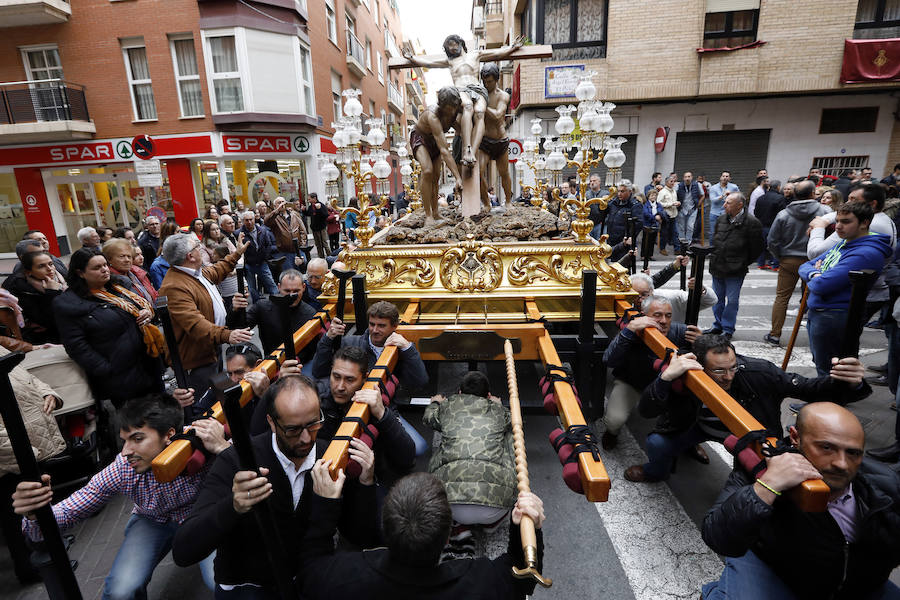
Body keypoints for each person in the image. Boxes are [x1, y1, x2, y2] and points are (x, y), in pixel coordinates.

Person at [171, 374, 379, 596]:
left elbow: (362, 536)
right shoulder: (234, 461)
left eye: (314, 424)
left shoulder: (330, 456)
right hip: (247, 585)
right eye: (293, 430)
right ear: (271, 422)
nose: (307, 438)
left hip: (306, 579)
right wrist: (233, 506)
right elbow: (184, 551)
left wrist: (366, 483)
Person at [11, 393, 227, 599]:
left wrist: (223, 448)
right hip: (153, 521)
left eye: (137, 438)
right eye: (124, 440)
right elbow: (69, 511)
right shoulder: (124, 467)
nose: (126, 451)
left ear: (169, 434)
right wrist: (35, 513)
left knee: (222, 581)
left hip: (201, 514)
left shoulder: (200, 442)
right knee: (120, 592)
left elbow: (250, 464)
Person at [701, 402, 900, 600]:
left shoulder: (884, 485)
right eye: (827, 447)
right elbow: (718, 537)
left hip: (853, 583)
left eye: (853, 453)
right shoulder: (762, 471)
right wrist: (767, 487)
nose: (841, 463)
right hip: (776, 571)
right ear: (796, 437)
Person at [626, 334, 869, 483]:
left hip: (743, 435)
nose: (728, 377)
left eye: (733, 367)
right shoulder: (685, 373)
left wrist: (849, 381)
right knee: (658, 443)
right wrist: (665, 379)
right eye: (719, 371)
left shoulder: (759, 372)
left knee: (750, 479)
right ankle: (657, 472)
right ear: (697, 365)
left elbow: (810, 388)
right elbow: (646, 410)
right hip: (697, 425)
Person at [297, 470, 545, 600]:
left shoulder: (343, 578)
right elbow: (523, 578)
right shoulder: (483, 584)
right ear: (448, 536)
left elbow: (309, 571)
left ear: (385, 527)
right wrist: (527, 526)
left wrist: (326, 506)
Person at [54, 249, 164, 407]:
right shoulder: (68, 304)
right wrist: (107, 369)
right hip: (121, 377)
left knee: (162, 413)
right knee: (138, 422)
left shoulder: (119, 287)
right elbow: (76, 345)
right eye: (97, 267)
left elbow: (138, 309)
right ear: (80, 273)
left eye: (105, 265)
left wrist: (146, 313)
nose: (105, 269)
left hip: (148, 364)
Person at [157, 233, 253, 412]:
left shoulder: (195, 273)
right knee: (203, 406)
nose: (201, 249)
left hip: (210, 349)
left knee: (217, 397)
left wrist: (237, 254)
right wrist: (227, 334)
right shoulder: (174, 286)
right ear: (190, 256)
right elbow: (194, 324)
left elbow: (218, 270)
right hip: (196, 361)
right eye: (197, 247)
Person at [402, 34, 523, 168]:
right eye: (449, 46)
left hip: (477, 89)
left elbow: (496, 53)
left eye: (454, 44)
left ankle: (473, 150)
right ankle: (467, 149)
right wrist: (412, 58)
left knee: (479, 113)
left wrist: (512, 47)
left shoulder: (476, 55)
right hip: (461, 90)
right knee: (468, 106)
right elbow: (429, 63)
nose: (453, 48)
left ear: (460, 43)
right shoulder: (450, 61)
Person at [800, 201, 893, 376]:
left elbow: (822, 285)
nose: (839, 227)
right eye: (838, 221)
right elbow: (806, 265)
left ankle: (829, 401)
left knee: (829, 365)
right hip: (822, 310)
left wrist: (815, 275)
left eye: (846, 221)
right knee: (823, 361)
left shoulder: (866, 252)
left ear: (864, 223)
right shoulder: (846, 242)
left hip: (835, 313)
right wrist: (814, 273)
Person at [600, 295, 701, 451]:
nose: (664, 321)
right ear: (644, 315)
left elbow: (716, 353)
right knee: (614, 421)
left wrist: (702, 343)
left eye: (668, 315)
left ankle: (689, 443)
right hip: (632, 382)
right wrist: (629, 330)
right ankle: (611, 434)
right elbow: (609, 360)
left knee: (690, 415)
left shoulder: (680, 331)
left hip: (666, 387)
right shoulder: (633, 330)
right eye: (657, 315)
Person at [0, 347, 65, 584]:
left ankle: (51, 551)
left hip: (29, 446)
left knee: (38, 504)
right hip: (12, 457)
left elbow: (28, 377)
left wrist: (50, 395)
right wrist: (25, 452)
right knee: (16, 513)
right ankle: (30, 568)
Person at [424, 371, 517, 539]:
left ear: (460, 392)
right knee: (508, 436)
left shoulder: (449, 405)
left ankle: (457, 525)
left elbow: (429, 418)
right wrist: (499, 405)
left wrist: (435, 403)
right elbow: (514, 422)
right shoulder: (497, 410)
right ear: (488, 395)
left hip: (449, 504)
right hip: (496, 506)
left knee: (444, 445)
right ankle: (491, 524)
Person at [311, 346, 415, 482]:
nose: (340, 386)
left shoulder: (376, 398)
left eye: (349, 380)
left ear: (364, 378)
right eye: (336, 377)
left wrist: (382, 414)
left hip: (368, 477)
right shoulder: (317, 396)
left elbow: (407, 456)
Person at [765, 180, 829, 345]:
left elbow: (772, 240)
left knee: (782, 297)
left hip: (789, 259)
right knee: (814, 296)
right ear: (813, 193)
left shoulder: (784, 214)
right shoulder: (824, 212)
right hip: (815, 260)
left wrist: (779, 256)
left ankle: (775, 334)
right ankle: (817, 336)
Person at [310, 300, 428, 390]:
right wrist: (328, 338)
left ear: (394, 326)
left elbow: (420, 382)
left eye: (381, 326)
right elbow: (318, 371)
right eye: (372, 324)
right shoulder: (349, 344)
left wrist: (408, 349)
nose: (375, 330)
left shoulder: (402, 349)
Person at [707, 193, 764, 340]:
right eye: (725, 202)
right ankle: (717, 325)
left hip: (736, 269)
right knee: (717, 299)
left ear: (740, 205)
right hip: (717, 265)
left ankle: (727, 328)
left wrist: (742, 262)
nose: (724, 205)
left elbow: (757, 248)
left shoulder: (752, 223)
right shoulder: (721, 219)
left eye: (728, 203)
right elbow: (715, 239)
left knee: (732, 301)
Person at [408, 87, 465, 225]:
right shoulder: (433, 115)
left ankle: (436, 213)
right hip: (420, 138)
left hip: (435, 141)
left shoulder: (457, 107)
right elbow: (445, 151)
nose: (452, 111)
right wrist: (457, 177)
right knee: (427, 171)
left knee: (436, 177)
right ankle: (428, 216)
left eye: (454, 107)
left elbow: (461, 129)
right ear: (442, 106)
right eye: (448, 108)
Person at [246, 269, 318, 358]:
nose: (291, 295)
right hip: (271, 365)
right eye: (287, 291)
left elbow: (313, 349)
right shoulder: (262, 307)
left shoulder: (310, 314)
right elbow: (241, 326)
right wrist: (236, 309)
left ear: (303, 287)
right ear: (279, 287)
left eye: (296, 291)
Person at [4, 249, 66, 344]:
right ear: (29, 272)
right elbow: (52, 319)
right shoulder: (21, 288)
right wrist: (52, 292)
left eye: (51, 264)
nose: (50, 269)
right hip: (42, 339)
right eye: (41, 266)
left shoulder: (61, 279)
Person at [478, 62, 513, 207]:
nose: (487, 84)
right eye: (484, 81)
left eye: (490, 81)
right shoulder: (480, 94)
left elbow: (499, 115)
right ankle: (486, 204)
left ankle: (509, 202)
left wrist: (483, 106)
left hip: (500, 140)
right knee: (478, 173)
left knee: (504, 173)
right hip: (484, 141)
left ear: (497, 79)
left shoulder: (503, 95)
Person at [630, 272, 716, 323]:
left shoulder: (672, 298)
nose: (640, 300)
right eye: (635, 296)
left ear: (652, 291)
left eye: (644, 294)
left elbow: (711, 300)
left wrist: (701, 289)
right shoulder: (624, 304)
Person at [238, 210, 278, 300]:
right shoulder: (239, 233)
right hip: (249, 265)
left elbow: (268, 245)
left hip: (262, 263)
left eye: (251, 219)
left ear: (254, 219)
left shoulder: (262, 230)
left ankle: (277, 301)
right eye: (246, 220)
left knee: (271, 283)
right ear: (243, 221)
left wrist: (265, 258)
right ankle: (257, 306)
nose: (249, 222)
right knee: (252, 288)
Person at [104, 237, 157, 304]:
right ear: (109, 259)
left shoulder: (139, 273)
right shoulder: (109, 281)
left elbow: (154, 295)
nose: (127, 260)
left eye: (129, 256)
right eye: (122, 256)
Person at [264, 196, 307, 271]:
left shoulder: (294, 214)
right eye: (279, 203)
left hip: (298, 249)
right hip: (285, 252)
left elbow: (302, 230)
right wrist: (277, 211)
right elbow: (266, 222)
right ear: (275, 206)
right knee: (289, 274)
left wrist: (302, 245)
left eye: (283, 202)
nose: (282, 204)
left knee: (302, 271)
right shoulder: (275, 218)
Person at [595, 180, 642, 247]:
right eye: (618, 191)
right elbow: (602, 213)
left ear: (630, 191)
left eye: (622, 191)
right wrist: (602, 204)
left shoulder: (635, 205)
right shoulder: (613, 202)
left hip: (625, 240)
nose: (619, 194)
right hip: (611, 238)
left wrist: (631, 237)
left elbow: (638, 224)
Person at [753, 179, 787, 271]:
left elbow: (756, 212)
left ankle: (761, 264)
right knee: (775, 245)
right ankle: (775, 265)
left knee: (762, 245)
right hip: (774, 226)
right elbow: (782, 213)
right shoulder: (780, 198)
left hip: (761, 225)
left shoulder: (761, 198)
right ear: (778, 187)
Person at [147, 221, 180, 289]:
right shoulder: (157, 266)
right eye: (178, 232)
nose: (181, 235)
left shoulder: (183, 258)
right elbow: (161, 291)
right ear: (170, 236)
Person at [708, 171, 740, 237]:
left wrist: (731, 195)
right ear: (720, 177)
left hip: (727, 213)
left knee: (727, 232)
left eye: (727, 176)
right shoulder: (714, 188)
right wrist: (723, 195)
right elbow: (713, 200)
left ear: (729, 178)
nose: (725, 178)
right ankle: (712, 247)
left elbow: (738, 197)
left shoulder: (734, 187)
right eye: (723, 176)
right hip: (715, 213)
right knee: (713, 232)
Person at [676, 171, 702, 250]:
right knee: (681, 227)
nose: (687, 178)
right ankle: (682, 243)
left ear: (692, 177)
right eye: (686, 177)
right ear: (683, 178)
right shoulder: (679, 185)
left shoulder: (697, 185)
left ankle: (688, 244)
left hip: (692, 209)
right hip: (681, 209)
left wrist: (698, 204)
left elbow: (703, 195)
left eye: (689, 176)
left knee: (690, 227)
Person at [304, 193, 331, 258]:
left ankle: (330, 256)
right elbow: (309, 214)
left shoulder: (321, 205)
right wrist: (304, 210)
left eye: (310, 199)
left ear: (314, 198)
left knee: (324, 243)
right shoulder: (311, 207)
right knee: (318, 244)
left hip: (321, 227)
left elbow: (326, 215)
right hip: (314, 228)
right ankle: (321, 257)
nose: (308, 200)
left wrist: (319, 209)